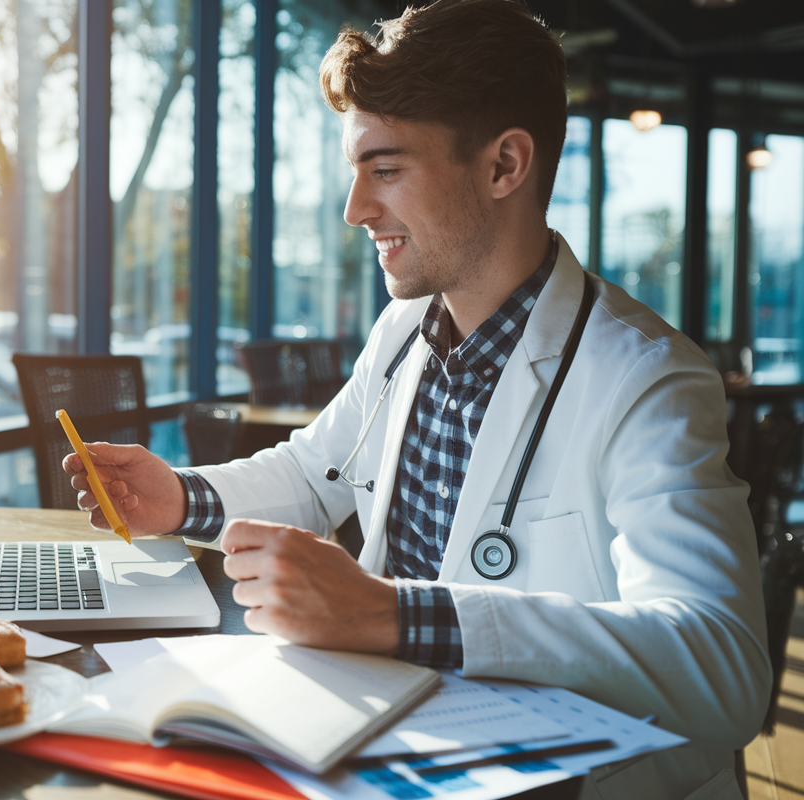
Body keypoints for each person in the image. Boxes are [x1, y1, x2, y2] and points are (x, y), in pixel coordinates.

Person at [64, 1, 769, 797]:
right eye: (356, 172)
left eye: (387, 170)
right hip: (393, 747)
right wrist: (179, 497)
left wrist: (394, 615)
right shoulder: (405, 328)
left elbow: (723, 665)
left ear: (506, 166)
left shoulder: (647, 378)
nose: (355, 209)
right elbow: (314, 472)